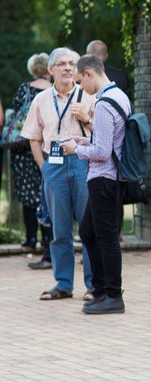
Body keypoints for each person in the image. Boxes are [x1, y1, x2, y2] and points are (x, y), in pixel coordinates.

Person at [20, 48, 94, 301]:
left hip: (83, 163)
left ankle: (93, 285)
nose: (68, 68)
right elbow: (33, 137)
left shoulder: (88, 95)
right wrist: (44, 168)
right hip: (53, 165)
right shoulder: (41, 100)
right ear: (50, 70)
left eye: (72, 63)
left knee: (88, 227)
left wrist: (86, 119)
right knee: (60, 230)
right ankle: (63, 284)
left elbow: (102, 133)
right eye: (62, 64)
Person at [61, 55, 131, 314]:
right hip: (111, 178)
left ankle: (113, 295)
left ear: (89, 73)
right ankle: (100, 289)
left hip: (104, 178)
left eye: (80, 81)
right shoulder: (120, 95)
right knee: (89, 231)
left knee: (107, 238)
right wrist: (83, 141)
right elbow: (109, 141)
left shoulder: (103, 104)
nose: (81, 87)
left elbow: (102, 152)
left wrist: (75, 149)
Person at [10, 53, 53, 267]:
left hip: (23, 149)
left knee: (28, 196)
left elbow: (14, 115)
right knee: (46, 194)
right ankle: (47, 239)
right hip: (46, 149)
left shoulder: (24, 89)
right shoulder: (53, 91)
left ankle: (30, 238)